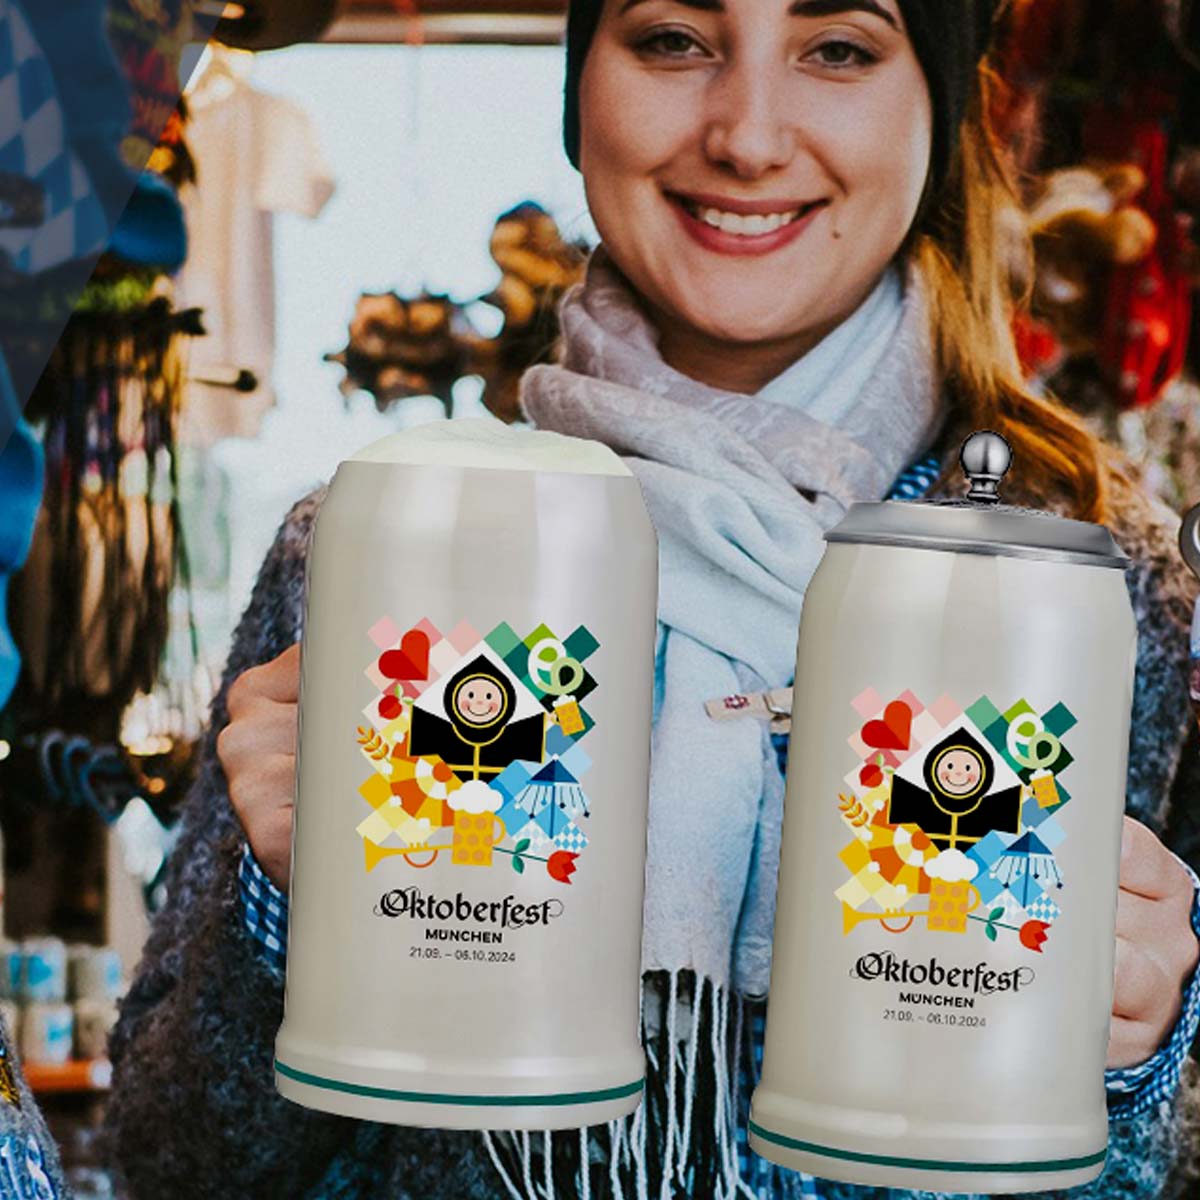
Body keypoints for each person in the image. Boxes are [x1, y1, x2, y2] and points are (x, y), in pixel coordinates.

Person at [105, 1, 1200, 1197]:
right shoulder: (380, 542)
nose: (746, 137)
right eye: (675, 39)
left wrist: (1118, 1068)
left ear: (939, 112)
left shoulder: (1098, 582)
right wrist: (279, 910)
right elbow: (171, 1162)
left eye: (839, 48)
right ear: (581, 94)